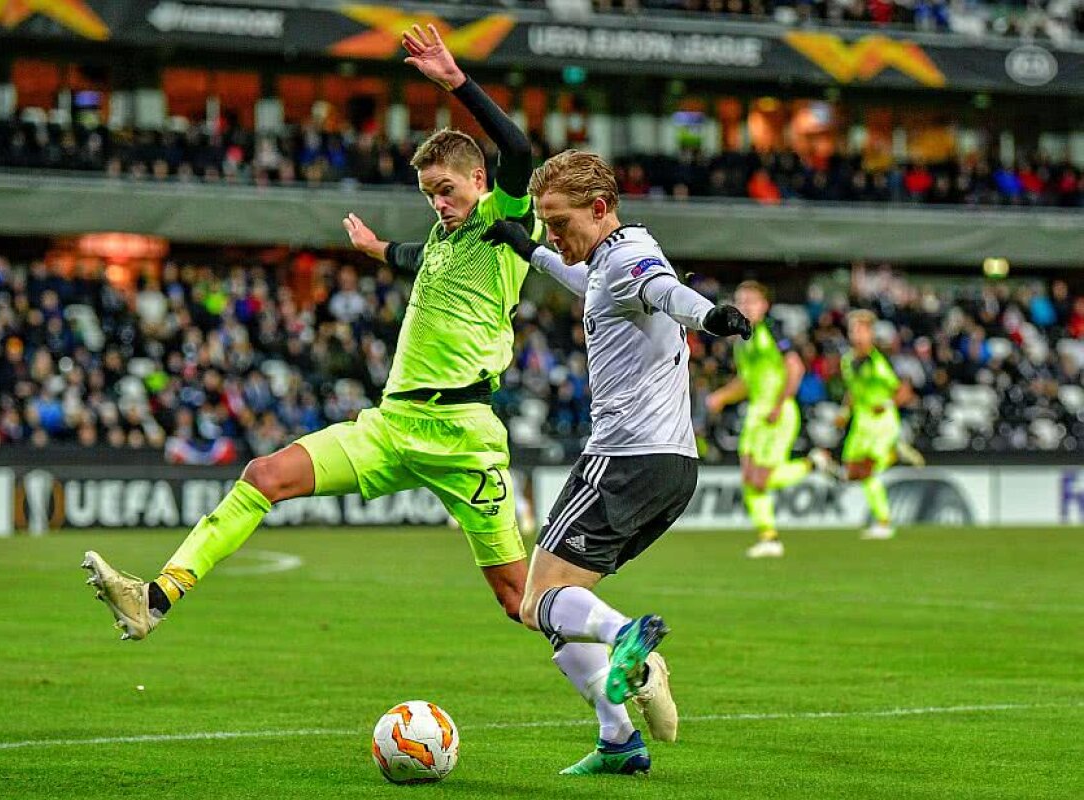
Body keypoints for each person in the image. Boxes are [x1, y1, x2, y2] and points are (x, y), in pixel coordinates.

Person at [82, 24, 538, 639]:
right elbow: (417, 256)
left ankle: (627, 652)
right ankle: (154, 599)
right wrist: (379, 249)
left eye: (447, 189)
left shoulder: (502, 222)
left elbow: (519, 149)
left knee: (518, 601)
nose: (438, 203)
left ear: (480, 180)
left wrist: (457, 82)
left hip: (463, 437)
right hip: (393, 425)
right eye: (429, 194)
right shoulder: (443, 238)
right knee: (263, 475)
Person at [481, 149, 751, 775]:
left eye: (560, 222)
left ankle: (631, 641)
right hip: (671, 466)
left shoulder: (630, 260)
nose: (555, 233)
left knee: (534, 602)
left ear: (600, 208)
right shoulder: (609, 259)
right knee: (563, 611)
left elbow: (665, 292)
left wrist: (710, 316)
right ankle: (618, 740)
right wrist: (531, 250)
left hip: (624, 459)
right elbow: (590, 283)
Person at [705, 281, 824, 559]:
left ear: (764, 305)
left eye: (751, 301)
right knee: (749, 478)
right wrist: (721, 396)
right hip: (756, 413)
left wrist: (779, 404)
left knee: (760, 480)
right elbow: (746, 383)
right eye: (740, 301)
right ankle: (769, 538)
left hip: (777, 413)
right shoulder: (742, 341)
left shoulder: (772, 329)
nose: (744, 306)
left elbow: (795, 367)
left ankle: (812, 464)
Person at [824, 309, 924, 539]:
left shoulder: (881, 360)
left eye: (861, 330)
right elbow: (852, 391)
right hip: (861, 423)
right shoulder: (848, 361)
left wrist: (886, 403)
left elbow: (904, 391)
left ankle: (883, 521)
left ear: (871, 333)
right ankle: (893, 456)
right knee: (852, 474)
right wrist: (844, 413)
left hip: (881, 421)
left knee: (867, 470)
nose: (857, 334)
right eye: (853, 330)